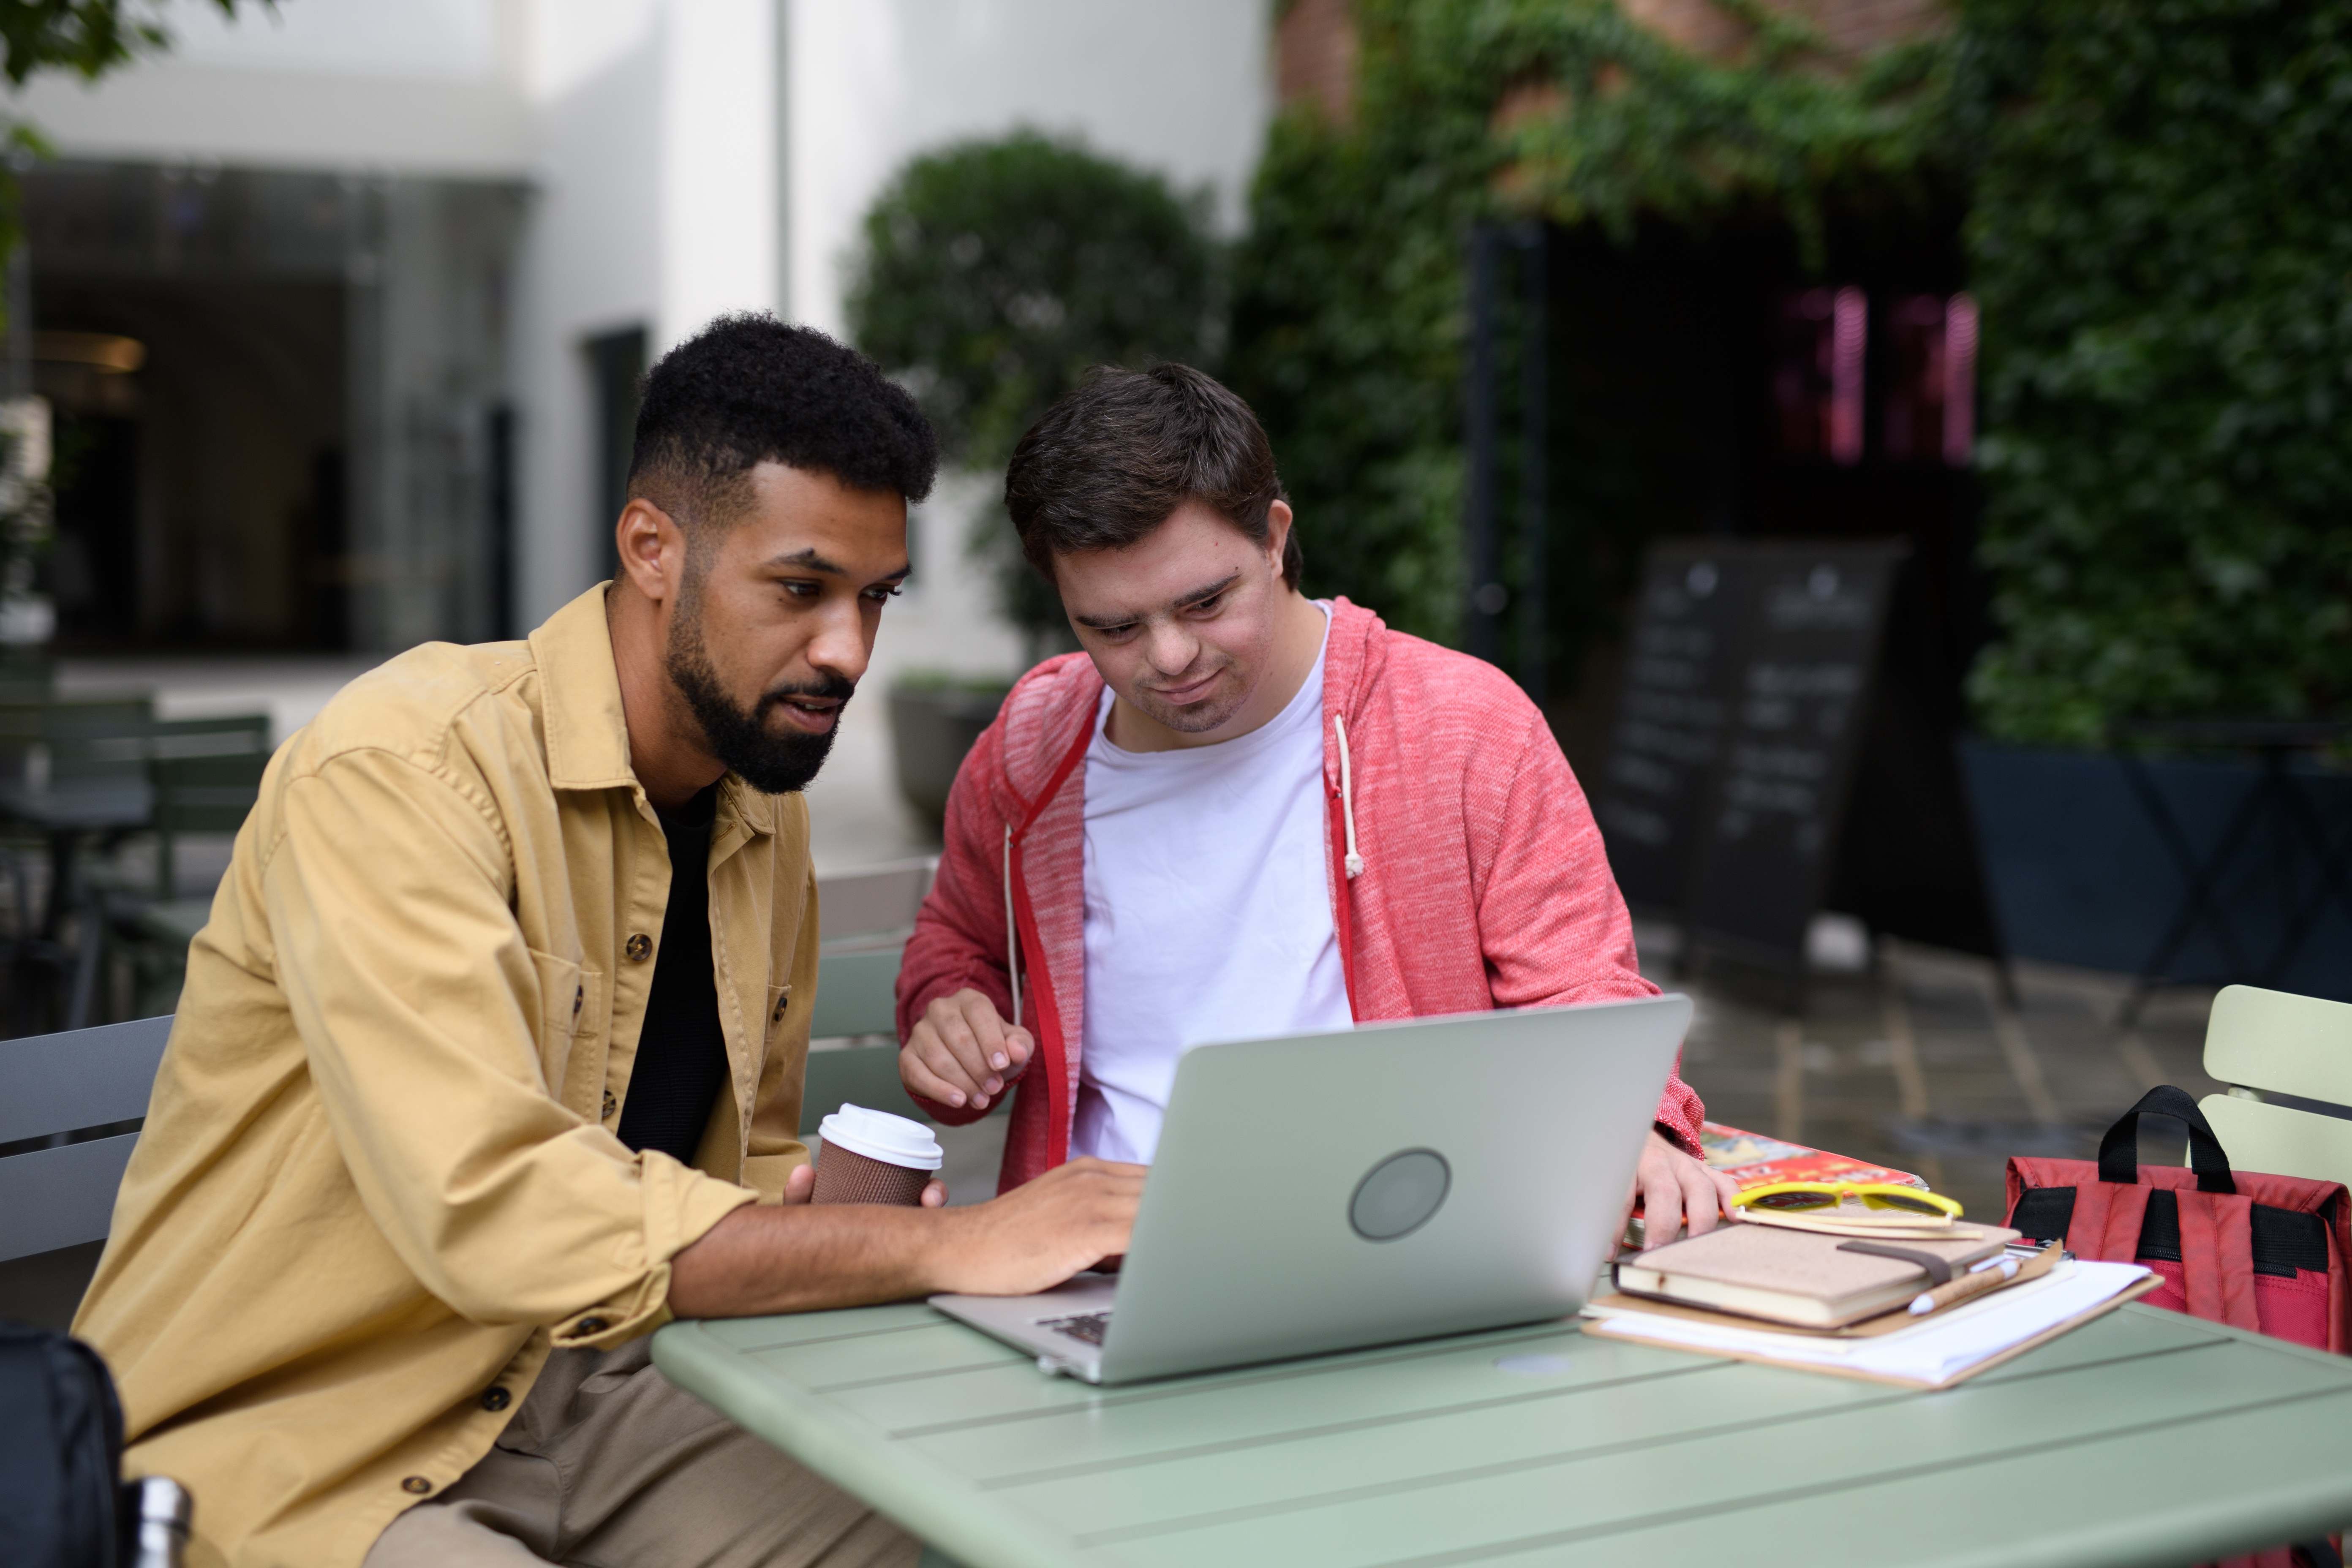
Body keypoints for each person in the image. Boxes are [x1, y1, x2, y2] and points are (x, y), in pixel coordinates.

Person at [73, 316, 1142, 1568]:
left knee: (993, 1526)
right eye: (800, 590)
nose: (847, 650)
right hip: (309, 1445)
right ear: (652, 549)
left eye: (874, 599)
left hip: (612, 1394)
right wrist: (953, 1243)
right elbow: (497, 1206)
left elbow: (734, 1165)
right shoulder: (402, 772)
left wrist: (845, 1210)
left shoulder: (758, 807)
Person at [896, 363, 1737, 1241]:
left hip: (1406, 1245)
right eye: (1115, 627)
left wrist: (1626, 1124)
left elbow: (1581, 985)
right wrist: (952, 1012)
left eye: (1205, 602)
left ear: (1274, 537)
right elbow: (956, 945)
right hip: (1100, 1264)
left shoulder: (1461, 726)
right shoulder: (1033, 747)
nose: (1172, 654)